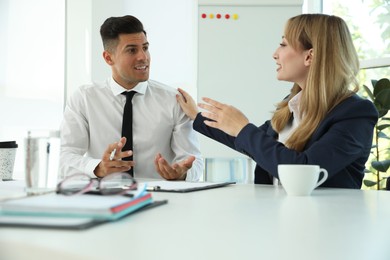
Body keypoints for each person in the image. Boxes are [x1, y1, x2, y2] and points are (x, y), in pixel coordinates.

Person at [177, 14, 378, 189]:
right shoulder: (293, 104)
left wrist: (243, 128)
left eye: (283, 44)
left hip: (324, 227)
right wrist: (196, 115)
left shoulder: (356, 114)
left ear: (310, 56)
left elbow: (303, 170)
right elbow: (253, 143)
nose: (275, 54)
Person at [60, 15, 203, 181]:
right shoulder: (84, 98)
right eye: (132, 50)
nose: (143, 57)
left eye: (145, 47)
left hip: (161, 198)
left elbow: (195, 162)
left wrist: (183, 173)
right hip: (103, 199)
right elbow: (64, 158)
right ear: (108, 57)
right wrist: (99, 167)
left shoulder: (174, 100)